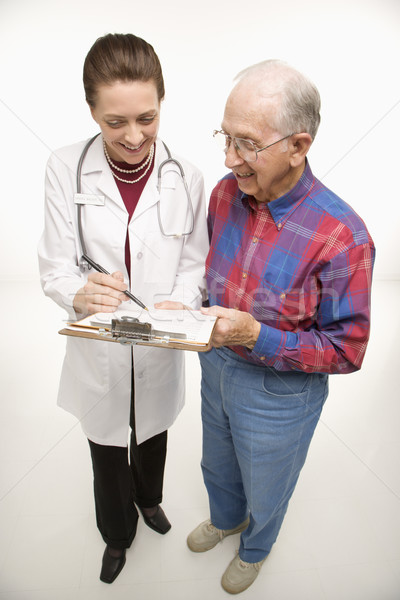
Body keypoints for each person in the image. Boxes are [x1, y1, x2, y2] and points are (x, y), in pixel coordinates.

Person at [187, 59, 375, 595]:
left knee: (267, 485)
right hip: (215, 363)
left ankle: (256, 547)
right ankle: (226, 519)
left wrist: (254, 336)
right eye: (226, 137)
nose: (228, 159)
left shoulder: (344, 236)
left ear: (298, 146)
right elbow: (206, 278)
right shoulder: (226, 194)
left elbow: (347, 351)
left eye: (247, 144)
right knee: (216, 464)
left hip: (279, 392)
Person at [38, 33, 208, 584]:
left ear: (162, 103)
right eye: (115, 123)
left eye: (147, 118)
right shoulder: (64, 168)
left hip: (160, 339)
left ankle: (151, 500)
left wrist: (178, 302)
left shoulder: (188, 175)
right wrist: (78, 294)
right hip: (101, 345)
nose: (134, 136)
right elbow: (56, 267)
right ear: (91, 111)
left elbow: (195, 263)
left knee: (153, 430)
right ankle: (117, 535)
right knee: (108, 445)